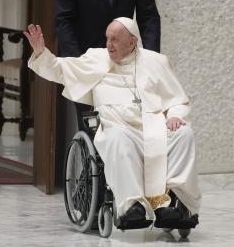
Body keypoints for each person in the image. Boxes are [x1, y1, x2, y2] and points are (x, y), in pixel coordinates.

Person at [25, 18, 200, 229]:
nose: (109, 44)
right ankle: (132, 206)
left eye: (115, 39)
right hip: (118, 127)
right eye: (107, 38)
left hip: (154, 127)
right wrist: (40, 52)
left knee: (184, 134)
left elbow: (177, 99)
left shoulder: (156, 62)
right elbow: (60, 69)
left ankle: (177, 205)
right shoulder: (96, 59)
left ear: (132, 41)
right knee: (119, 138)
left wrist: (174, 115)